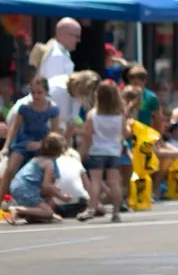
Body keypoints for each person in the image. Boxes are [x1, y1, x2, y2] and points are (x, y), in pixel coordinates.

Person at [77, 79, 128, 222]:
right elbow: (125, 133)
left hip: (97, 150)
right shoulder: (120, 115)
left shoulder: (92, 114)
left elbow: (88, 135)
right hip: (114, 151)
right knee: (114, 182)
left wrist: (83, 152)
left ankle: (91, 208)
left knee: (95, 182)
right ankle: (116, 212)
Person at [1, 74, 59, 198]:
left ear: (46, 92)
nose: (36, 96)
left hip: (43, 141)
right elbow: (14, 128)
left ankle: (46, 202)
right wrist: (6, 146)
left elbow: (54, 134)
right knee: (10, 169)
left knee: (49, 171)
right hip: (24, 140)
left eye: (39, 92)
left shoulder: (52, 109)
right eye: (33, 93)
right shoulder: (25, 107)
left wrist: (42, 144)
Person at [3, 131, 70, 224]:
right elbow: (46, 186)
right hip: (26, 189)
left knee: (49, 195)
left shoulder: (37, 159)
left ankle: (33, 215)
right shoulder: (49, 163)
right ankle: (17, 210)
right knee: (48, 212)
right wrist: (62, 197)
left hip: (17, 185)